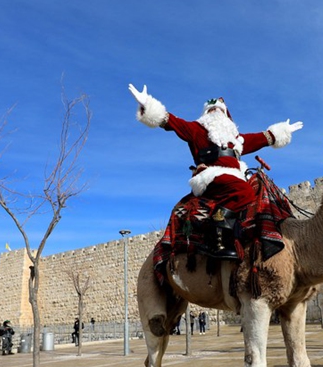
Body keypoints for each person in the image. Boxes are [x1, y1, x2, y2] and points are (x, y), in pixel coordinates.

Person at [128, 84, 302, 259]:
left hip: (236, 176)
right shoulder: (196, 129)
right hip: (211, 176)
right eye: (211, 110)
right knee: (243, 191)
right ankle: (216, 234)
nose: (215, 112)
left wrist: (282, 131)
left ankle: (263, 234)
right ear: (205, 114)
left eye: (218, 110)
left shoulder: (236, 139)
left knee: (263, 188)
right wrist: (148, 104)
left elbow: (261, 138)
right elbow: (171, 121)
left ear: (226, 115)